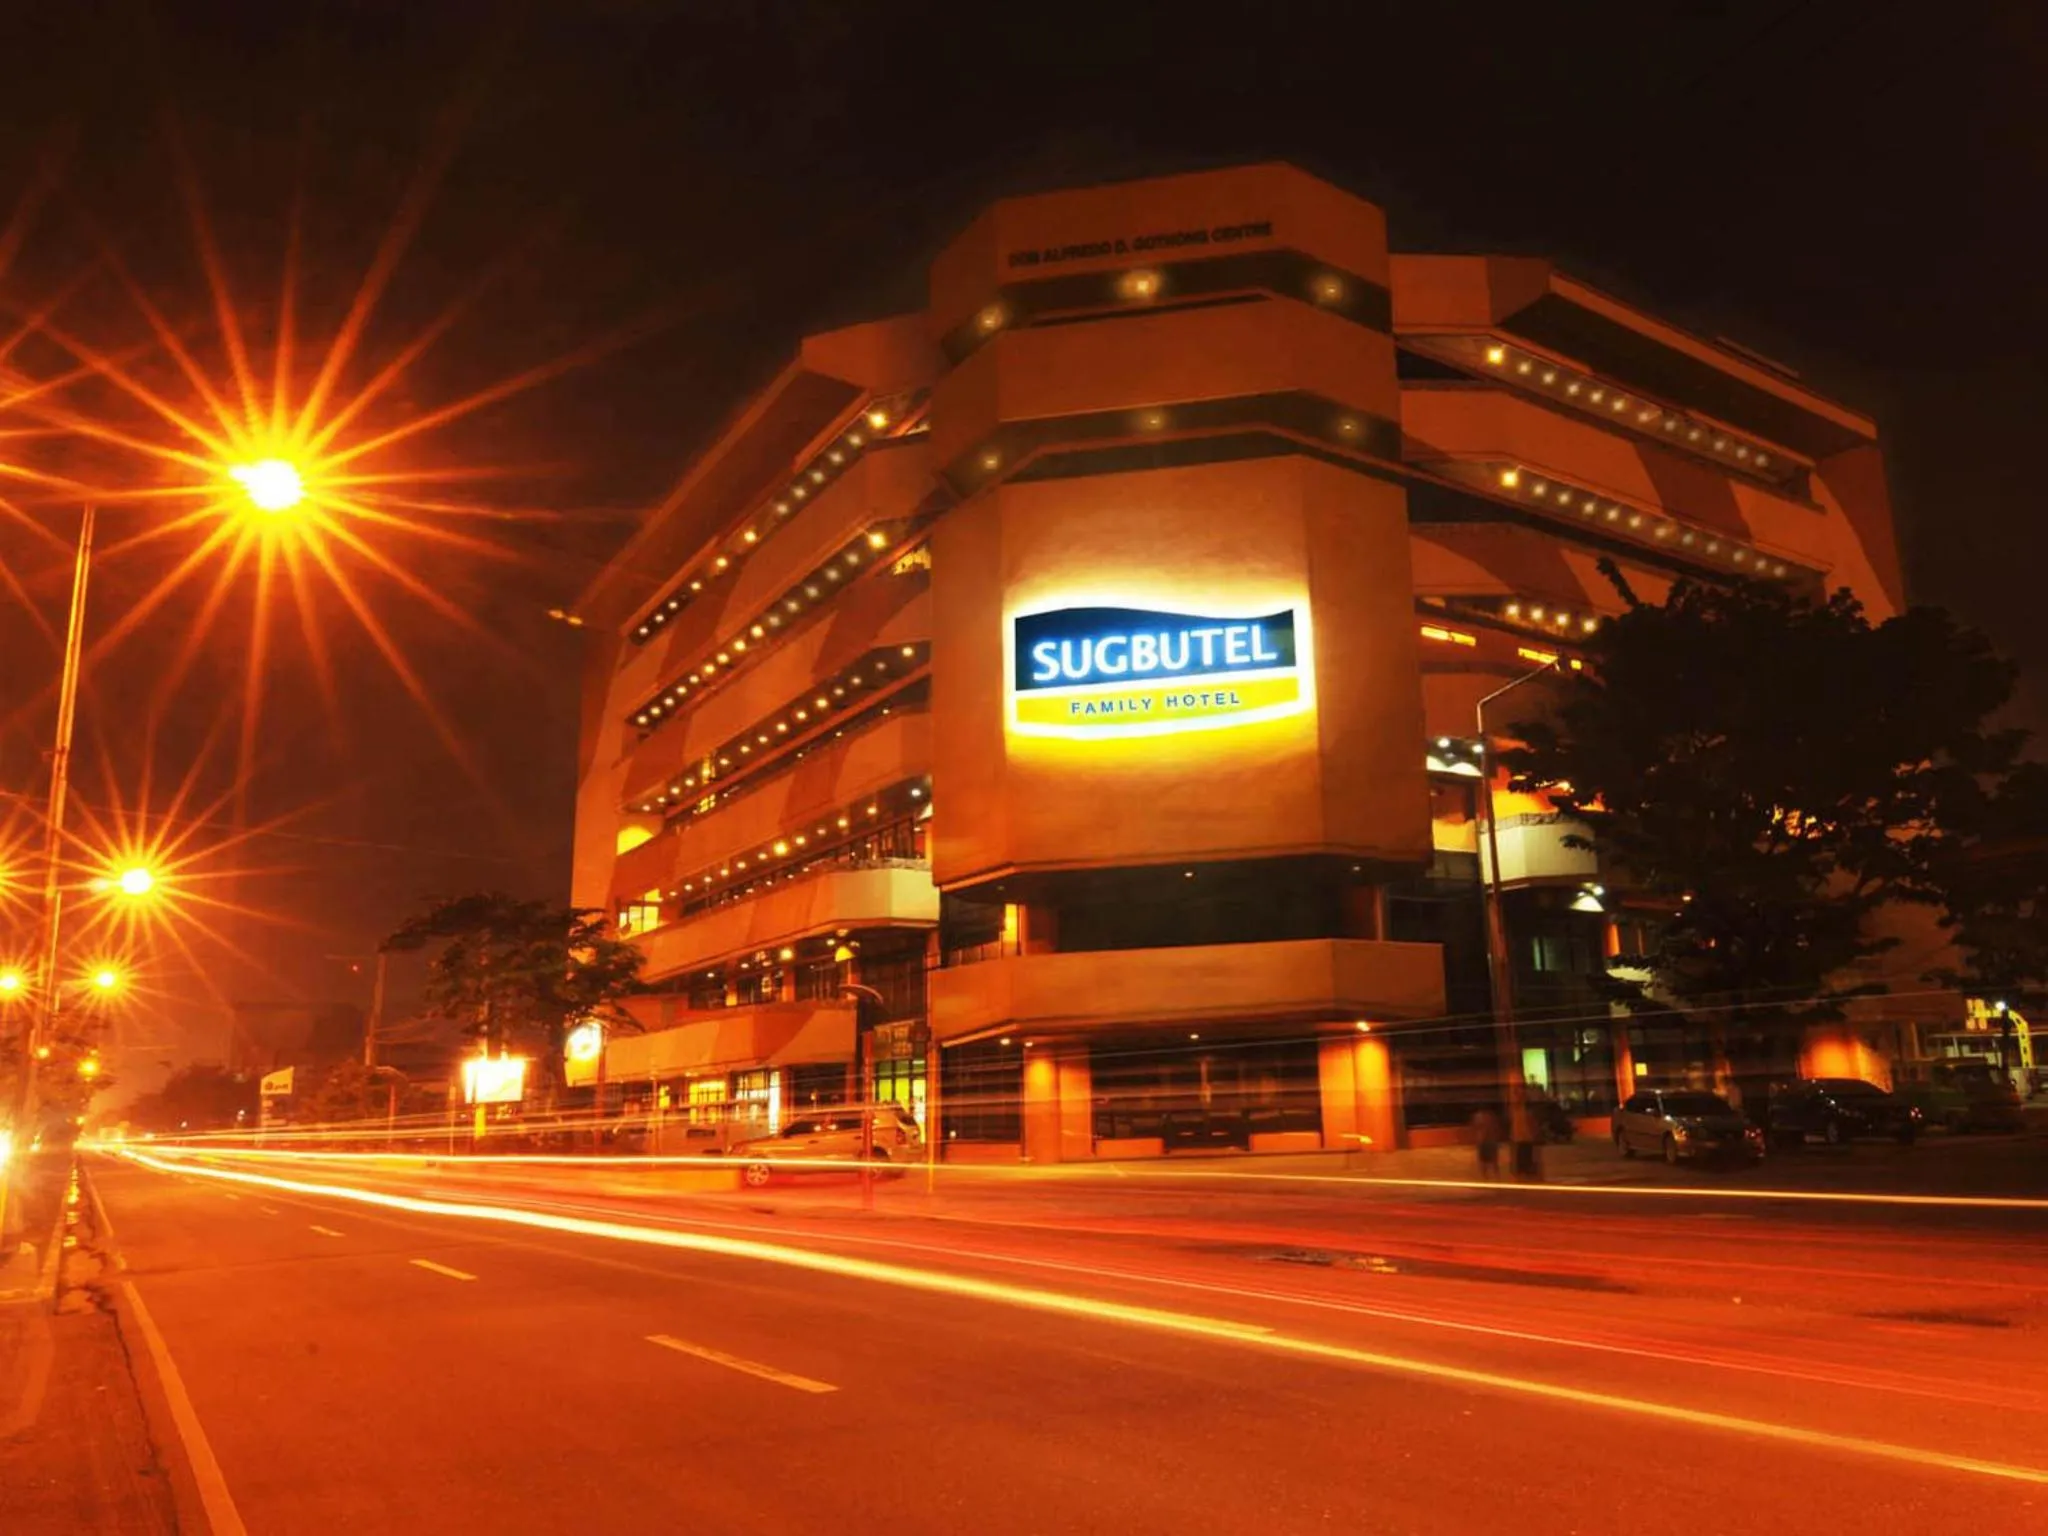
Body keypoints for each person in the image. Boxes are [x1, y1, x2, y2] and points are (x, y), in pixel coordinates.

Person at [1471, 1105, 1505, 1180]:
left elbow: (1476, 1128)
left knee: (1489, 1161)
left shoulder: (1479, 1116)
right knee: (1489, 1161)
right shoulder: (1490, 1116)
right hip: (1487, 1140)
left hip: (1487, 1140)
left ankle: (1489, 1178)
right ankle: (1492, 1177)